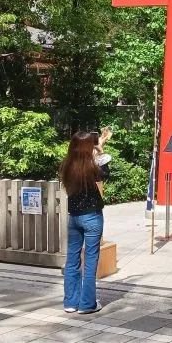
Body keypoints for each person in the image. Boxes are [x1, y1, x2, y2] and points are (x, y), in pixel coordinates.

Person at [59, 129, 112, 314]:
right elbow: (105, 175)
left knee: (72, 260)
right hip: (92, 218)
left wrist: (99, 145)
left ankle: (70, 302)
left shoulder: (66, 165)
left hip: (73, 218)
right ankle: (87, 304)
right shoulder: (92, 166)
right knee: (90, 261)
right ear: (89, 148)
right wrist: (101, 150)